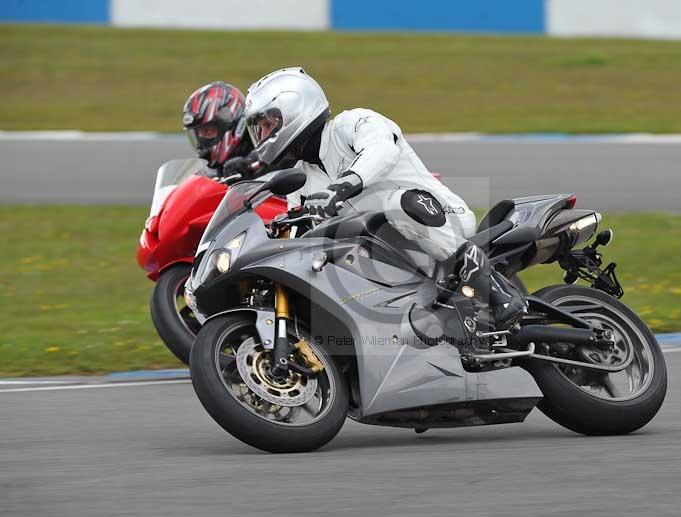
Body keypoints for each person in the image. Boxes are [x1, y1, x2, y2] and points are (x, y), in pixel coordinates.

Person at [243, 67, 526, 329]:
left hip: (440, 220)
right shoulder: (300, 179)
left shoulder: (351, 124)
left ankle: (496, 291)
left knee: (397, 204)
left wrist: (341, 187)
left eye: (268, 124)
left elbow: (381, 149)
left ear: (295, 108)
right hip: (389, 258)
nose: (263, 134)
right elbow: (301, 232)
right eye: (260, 128)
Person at [181, 81, 263, 179]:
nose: (201, 143)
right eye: (198, 135)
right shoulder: (212, 172)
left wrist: (249, 162)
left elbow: (274, 158)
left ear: (230, 125)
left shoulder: (263, 150)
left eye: (208, 131)